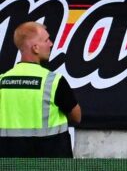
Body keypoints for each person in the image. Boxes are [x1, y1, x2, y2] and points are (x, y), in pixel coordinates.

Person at [0, 19, 78, 157]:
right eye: (46, 40)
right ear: (35, 48)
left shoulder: (2, 82)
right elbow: (77, 117)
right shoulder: (53, 81)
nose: (51, 44)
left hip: (9, 169)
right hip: (50, 170)